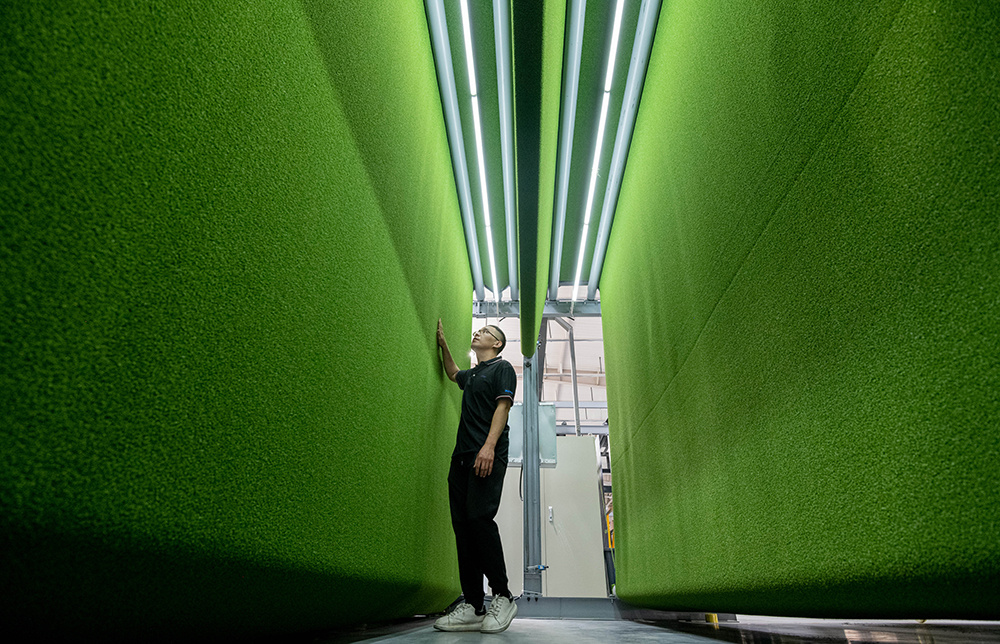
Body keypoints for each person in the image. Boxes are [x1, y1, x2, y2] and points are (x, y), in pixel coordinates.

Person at [433, 319, 518, 634]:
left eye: (486, 332)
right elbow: (453, 373)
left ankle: (503, 595)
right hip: (461, 458)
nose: (478, 332)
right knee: (463, 527)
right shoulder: (472, 374)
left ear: (496, 343)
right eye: (478, 330)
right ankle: (473, 604)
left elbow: (502, 408)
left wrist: (489, 447)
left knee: (480, 520)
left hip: (486, 454)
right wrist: (443, 345)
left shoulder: (502, 368)